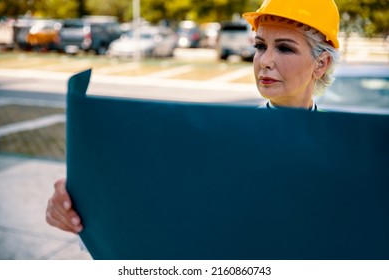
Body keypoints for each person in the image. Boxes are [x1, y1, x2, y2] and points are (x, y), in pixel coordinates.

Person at [46, 0, 341, 234]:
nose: (265, 61)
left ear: (321, 64)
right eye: (260, 46)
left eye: (285, 48)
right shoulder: (225, 137)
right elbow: (158, 207)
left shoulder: (345, 145)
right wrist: (80, 203)